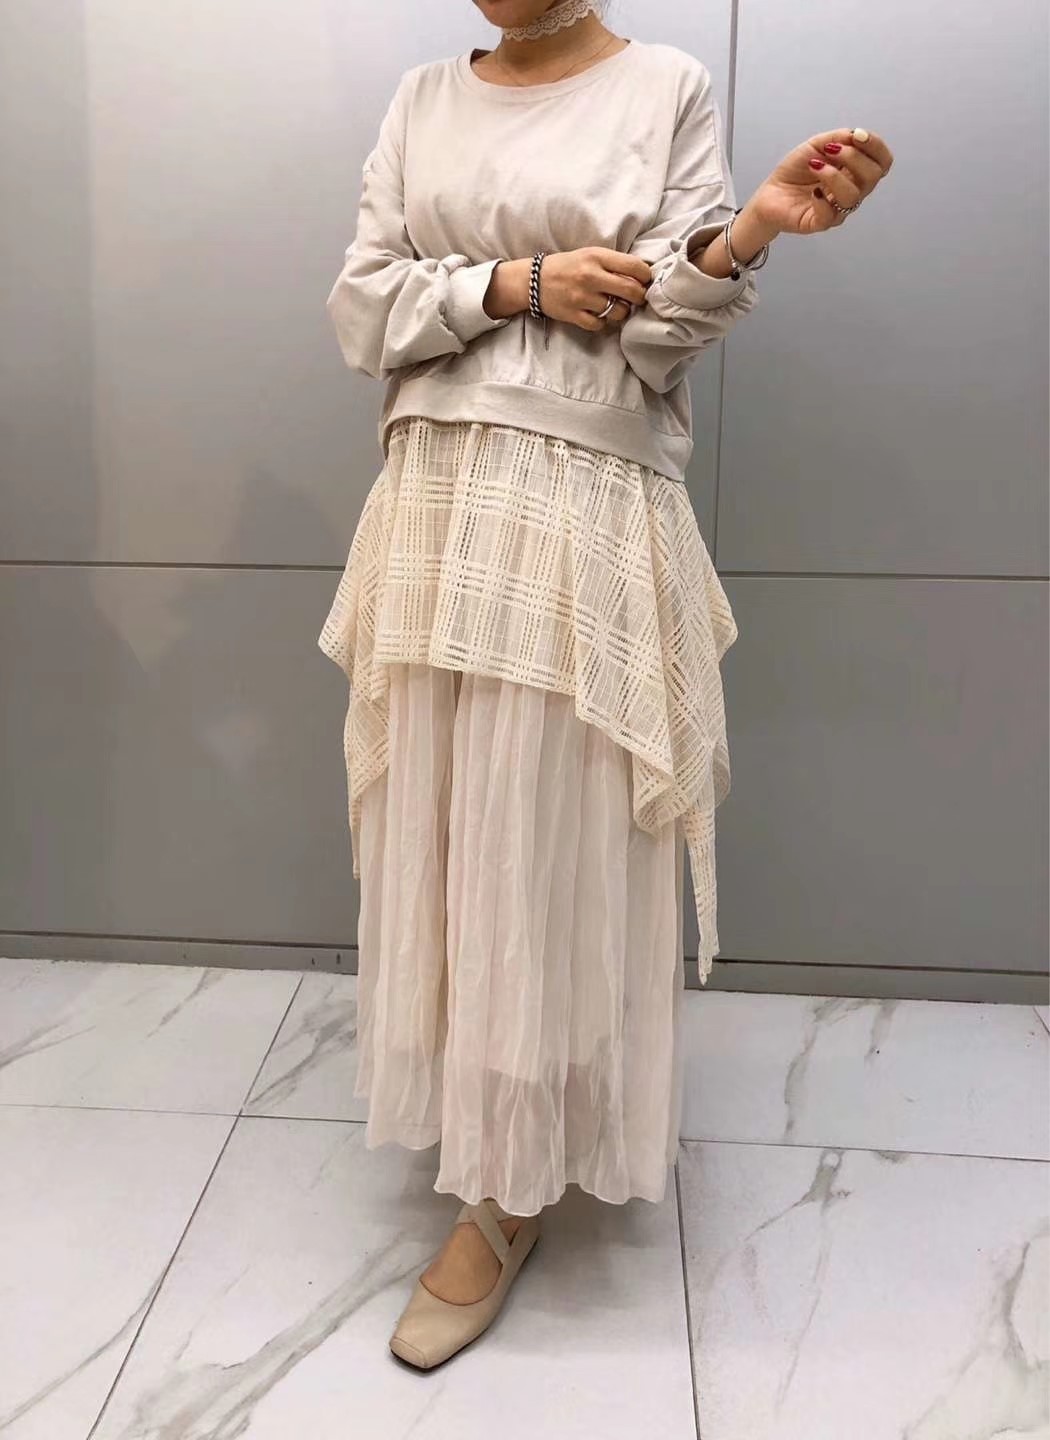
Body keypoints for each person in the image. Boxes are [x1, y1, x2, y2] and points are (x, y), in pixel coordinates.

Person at [318, 0, 892, 1371]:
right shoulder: (423, 98)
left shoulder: (664, 85)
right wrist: (514, 286)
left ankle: (507, 1187)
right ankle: (478, 1122)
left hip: (582, 493)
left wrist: (748, 235)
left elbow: (656, 335)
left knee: (541, 834)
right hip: (437, 492)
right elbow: (360, 308)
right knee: (444, 826)